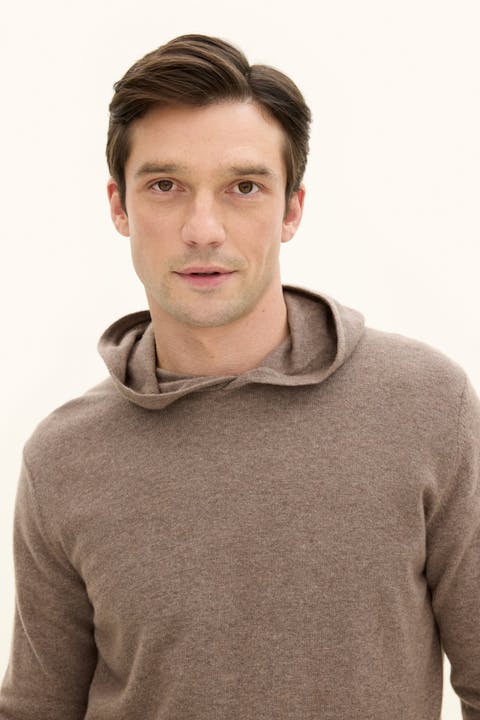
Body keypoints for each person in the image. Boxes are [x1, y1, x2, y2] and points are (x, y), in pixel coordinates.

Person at [0, 33, 479, 720]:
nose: (203, 229)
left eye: (244, 187)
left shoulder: (427, 405)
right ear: (118, 206)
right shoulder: (62, 458)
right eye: (165, 186)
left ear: (292, 209)